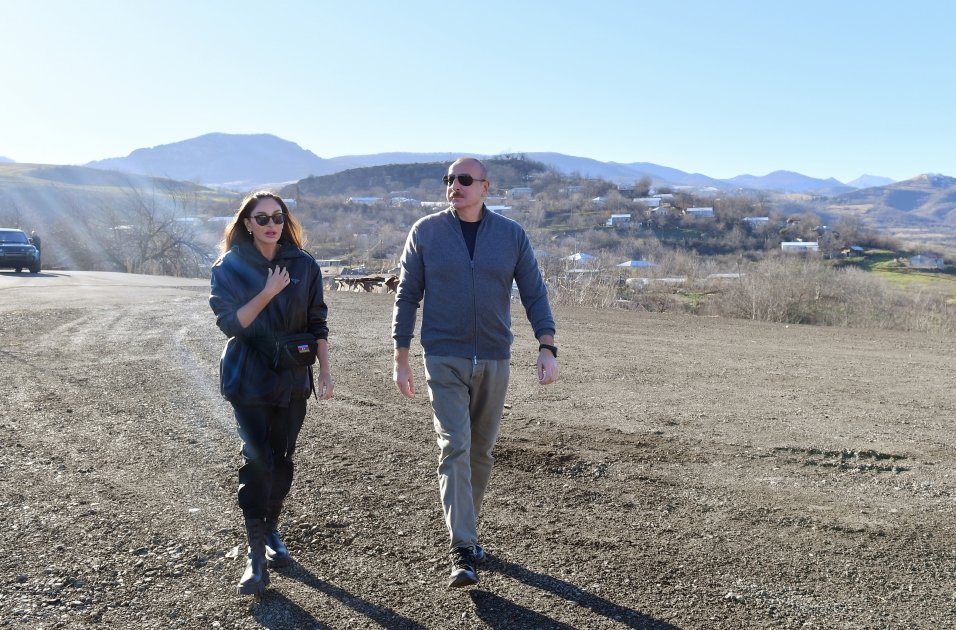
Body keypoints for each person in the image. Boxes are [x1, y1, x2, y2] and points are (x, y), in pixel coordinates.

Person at [392, 157, 559, 588]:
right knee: (455, 446)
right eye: (449, 179)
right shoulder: (426, 233)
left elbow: (534, 292)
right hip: (443, 356)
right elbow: (407, 296)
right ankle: (462, 547)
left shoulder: (511, 235)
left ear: (486, 187)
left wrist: (547, 345)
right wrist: (401, 355)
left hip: (494, 357)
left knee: (481, 453)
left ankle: (468, 530)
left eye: (464, 180)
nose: (455, 186)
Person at [209, 191, 334, 595]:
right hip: (248, 378)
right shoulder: (230, 265)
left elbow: (318, 322)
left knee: (282, 459)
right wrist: (267, 292)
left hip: (293, 378)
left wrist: (326, 371)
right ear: (247, 223)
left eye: (277, 217)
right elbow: (231, 323)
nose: (270, 224)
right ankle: (255, 554)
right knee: (257, 457)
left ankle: (272, 530)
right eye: (261, 218)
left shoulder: (304, 264)